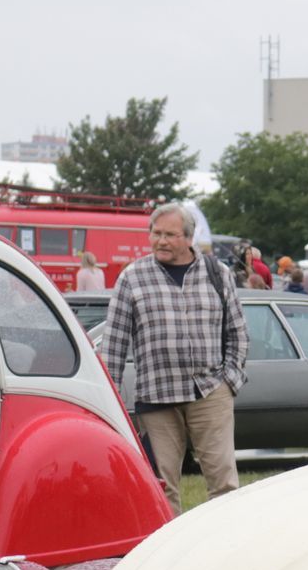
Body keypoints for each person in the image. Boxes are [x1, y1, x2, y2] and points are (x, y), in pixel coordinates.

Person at [97, 202, 247, 515]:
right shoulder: (132, 278)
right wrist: (106, 402)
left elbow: (238, 333)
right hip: (156, 398)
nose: (161, 240)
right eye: (156, 233)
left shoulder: (218, 274)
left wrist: (228, 382)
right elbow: (113, 345)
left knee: (224, 485)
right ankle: (167, 556)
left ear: (189, 238)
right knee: (160, 488)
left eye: (170, 234)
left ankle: (227, 550)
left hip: (209, 391)